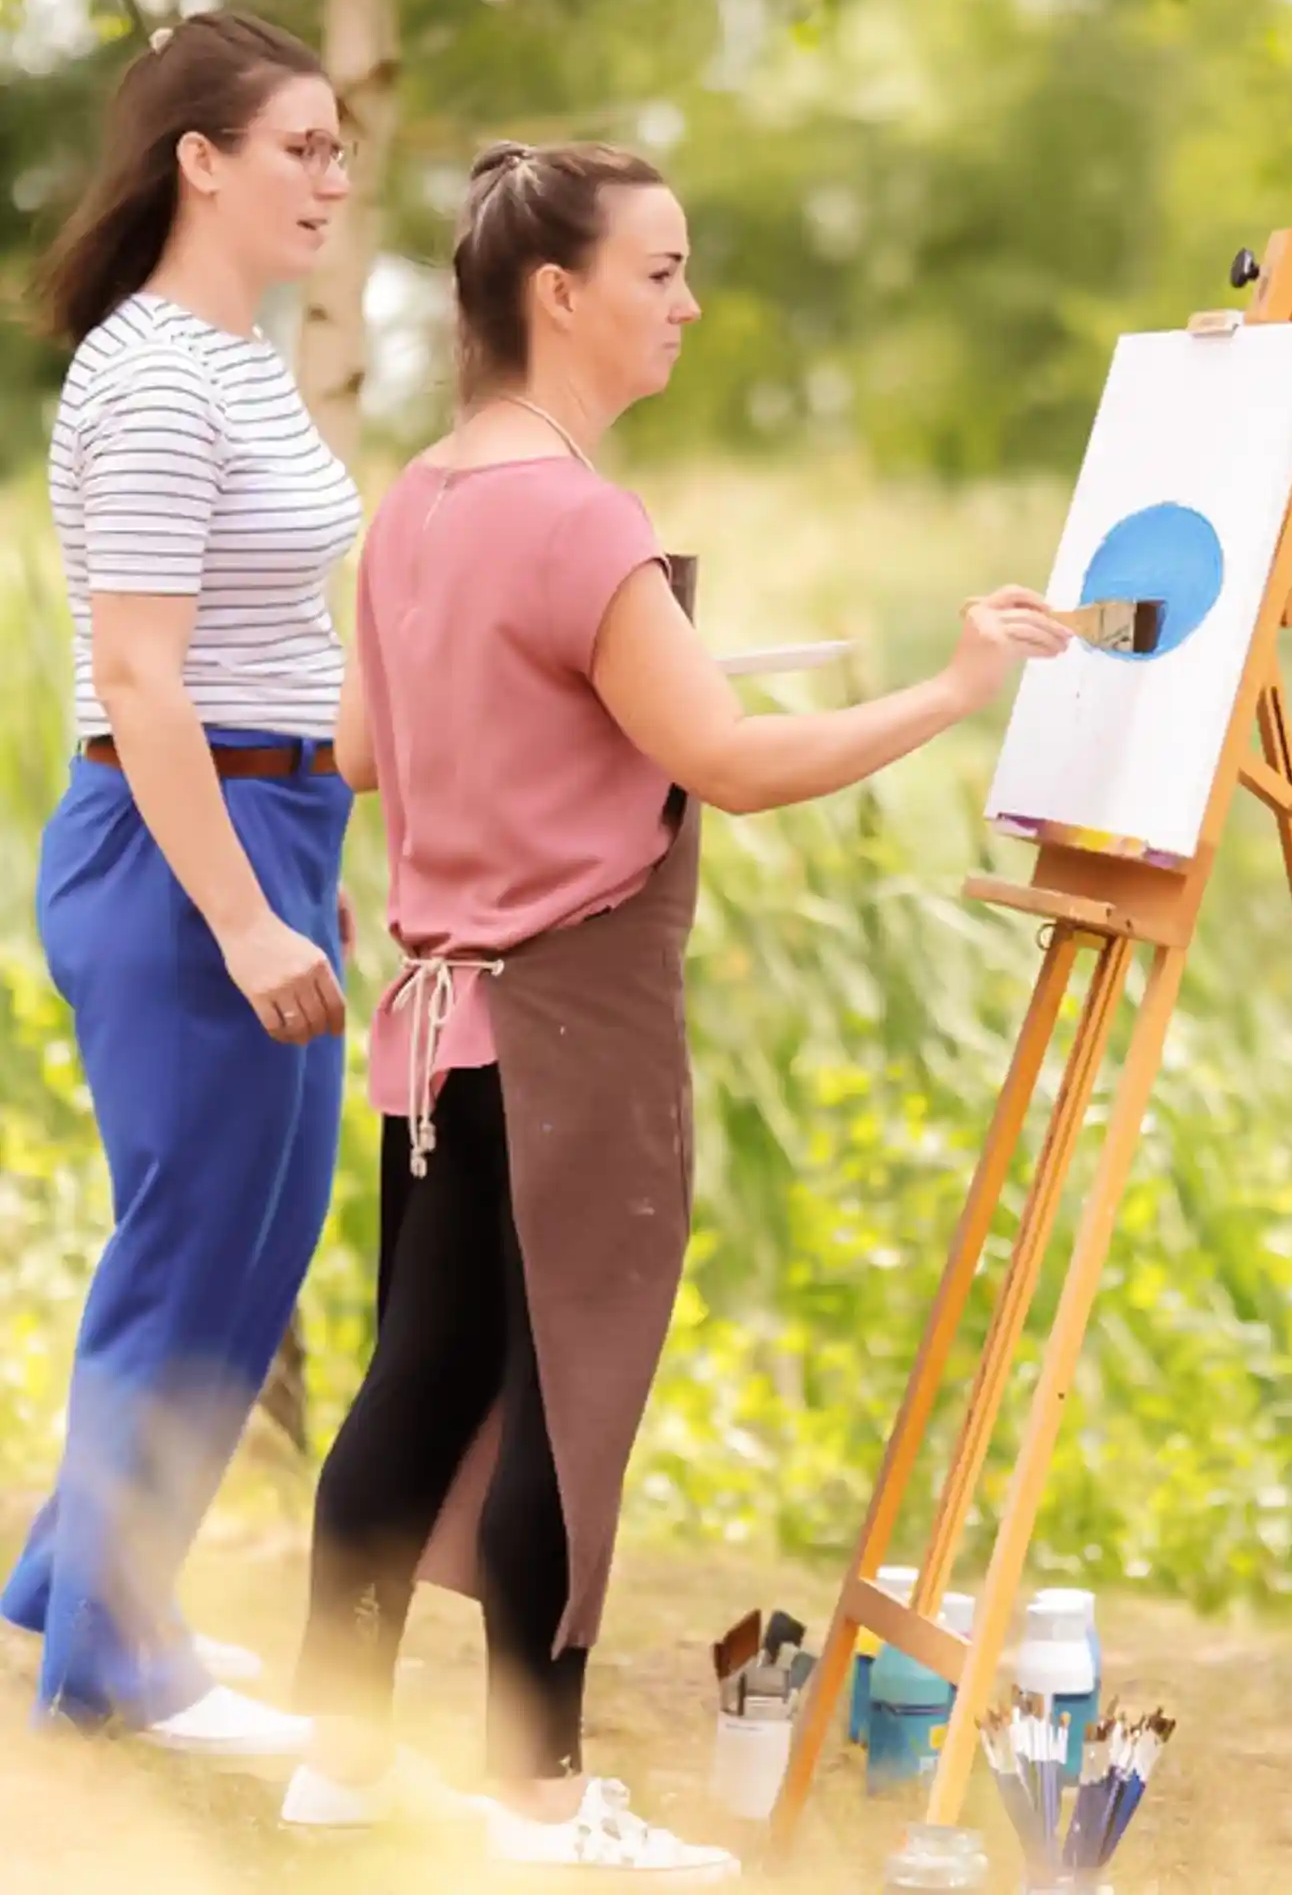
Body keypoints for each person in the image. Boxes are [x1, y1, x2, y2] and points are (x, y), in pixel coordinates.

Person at [281, 138, 1072, 1871]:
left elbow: (360, 753)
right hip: (570, 1033)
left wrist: (553, 719)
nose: (688, 304)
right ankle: (541, 1802)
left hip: (434, 1035)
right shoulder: (581, 516)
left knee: (414, 1382)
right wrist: (957, 685)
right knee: (569, 1402)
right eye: (661, 272)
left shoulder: (416, 503)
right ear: (558, 296)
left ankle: (333, 1762)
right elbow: (728, 762)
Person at [1, 11, 359, 1755]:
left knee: (253, 1243)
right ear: (198, 160)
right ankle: (109, 1665)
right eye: (299, 144)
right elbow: (142, 677)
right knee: (193, 1248)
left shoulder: (235, 358)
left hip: (276, 826)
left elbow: (274, 627)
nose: (333, 177)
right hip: (184, 849)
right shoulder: (150, 373)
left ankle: (71, 1580)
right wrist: (239, 912)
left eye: (341, 148)